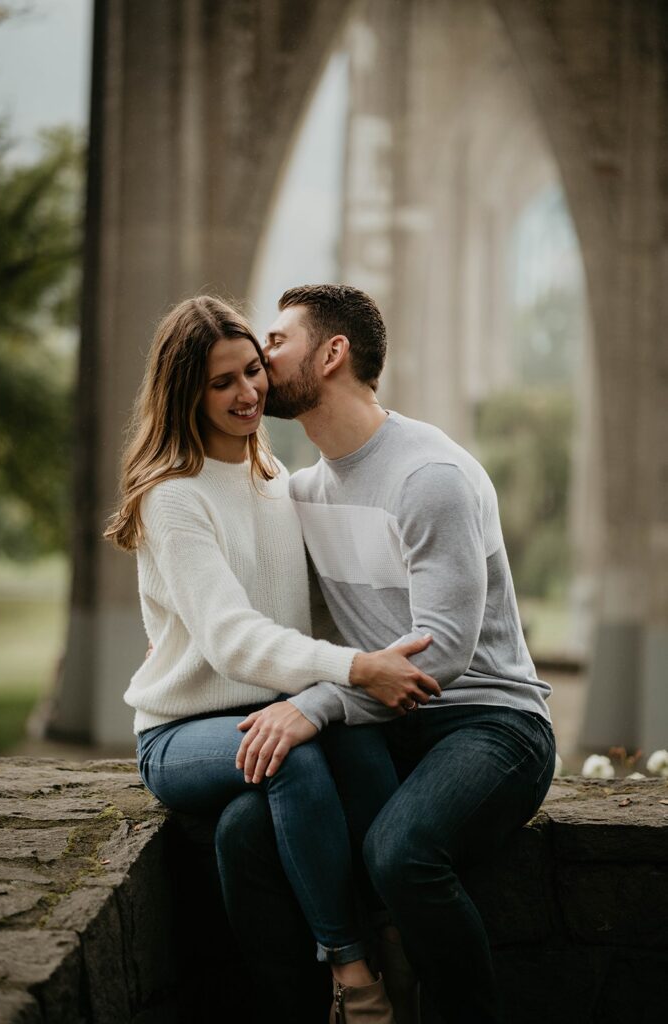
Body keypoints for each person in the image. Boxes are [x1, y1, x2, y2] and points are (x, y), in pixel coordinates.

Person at [103, 294, 443, 1024]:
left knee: (273, 804)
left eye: (252, 370)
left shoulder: (273, 482)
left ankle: (386, 932)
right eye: (221, 381)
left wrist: (368, 666)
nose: (247, 392)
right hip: (180, 735)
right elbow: (230, 639)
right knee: (291, 751)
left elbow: (313, 611)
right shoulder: (172, 498)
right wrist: (357, 668)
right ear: (185, 390)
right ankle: (352, 969)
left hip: (265, 712)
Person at [227, 284, 557, 1024]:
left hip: (489, 724)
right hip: (383, 727)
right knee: (243, 835)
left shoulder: (427, 476)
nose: (259, 354)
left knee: (399, 851)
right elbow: (269, 616)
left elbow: (437, 656)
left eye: (277, 341)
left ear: (332, 353)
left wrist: (311, 707)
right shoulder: (301, 494)